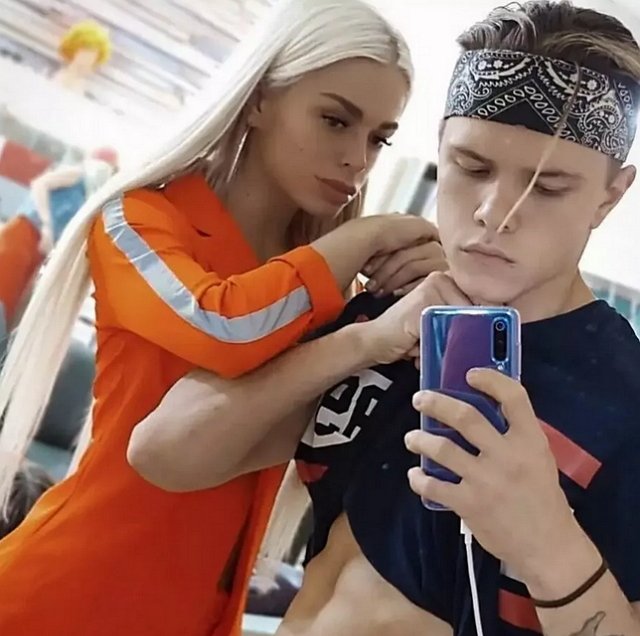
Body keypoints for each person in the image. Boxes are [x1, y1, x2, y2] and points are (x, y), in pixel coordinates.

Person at [133, 2, 640, 635]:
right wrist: (365, 341)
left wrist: (546, 542)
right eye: (472, 167)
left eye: (547, 187)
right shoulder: (387, 315)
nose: (494, 213)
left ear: (610, 196)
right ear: (440, 151)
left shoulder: (624, 402)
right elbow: (164, 454)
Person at [0, 1, 443, 635]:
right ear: (260, 100)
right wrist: (366, 240)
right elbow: (224, 327)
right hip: (62, 599)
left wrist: (429, 293)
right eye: (335, 120)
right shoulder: (139, 220)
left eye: (379, 138)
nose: (358, 159)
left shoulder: (331, 289)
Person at [0, 148, 118, 332]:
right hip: (25, 233)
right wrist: (46, 224)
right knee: (4, 292)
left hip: (39, 250)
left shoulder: (87, 195)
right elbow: (40, 184)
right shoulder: (76, 174)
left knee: (15, 306)